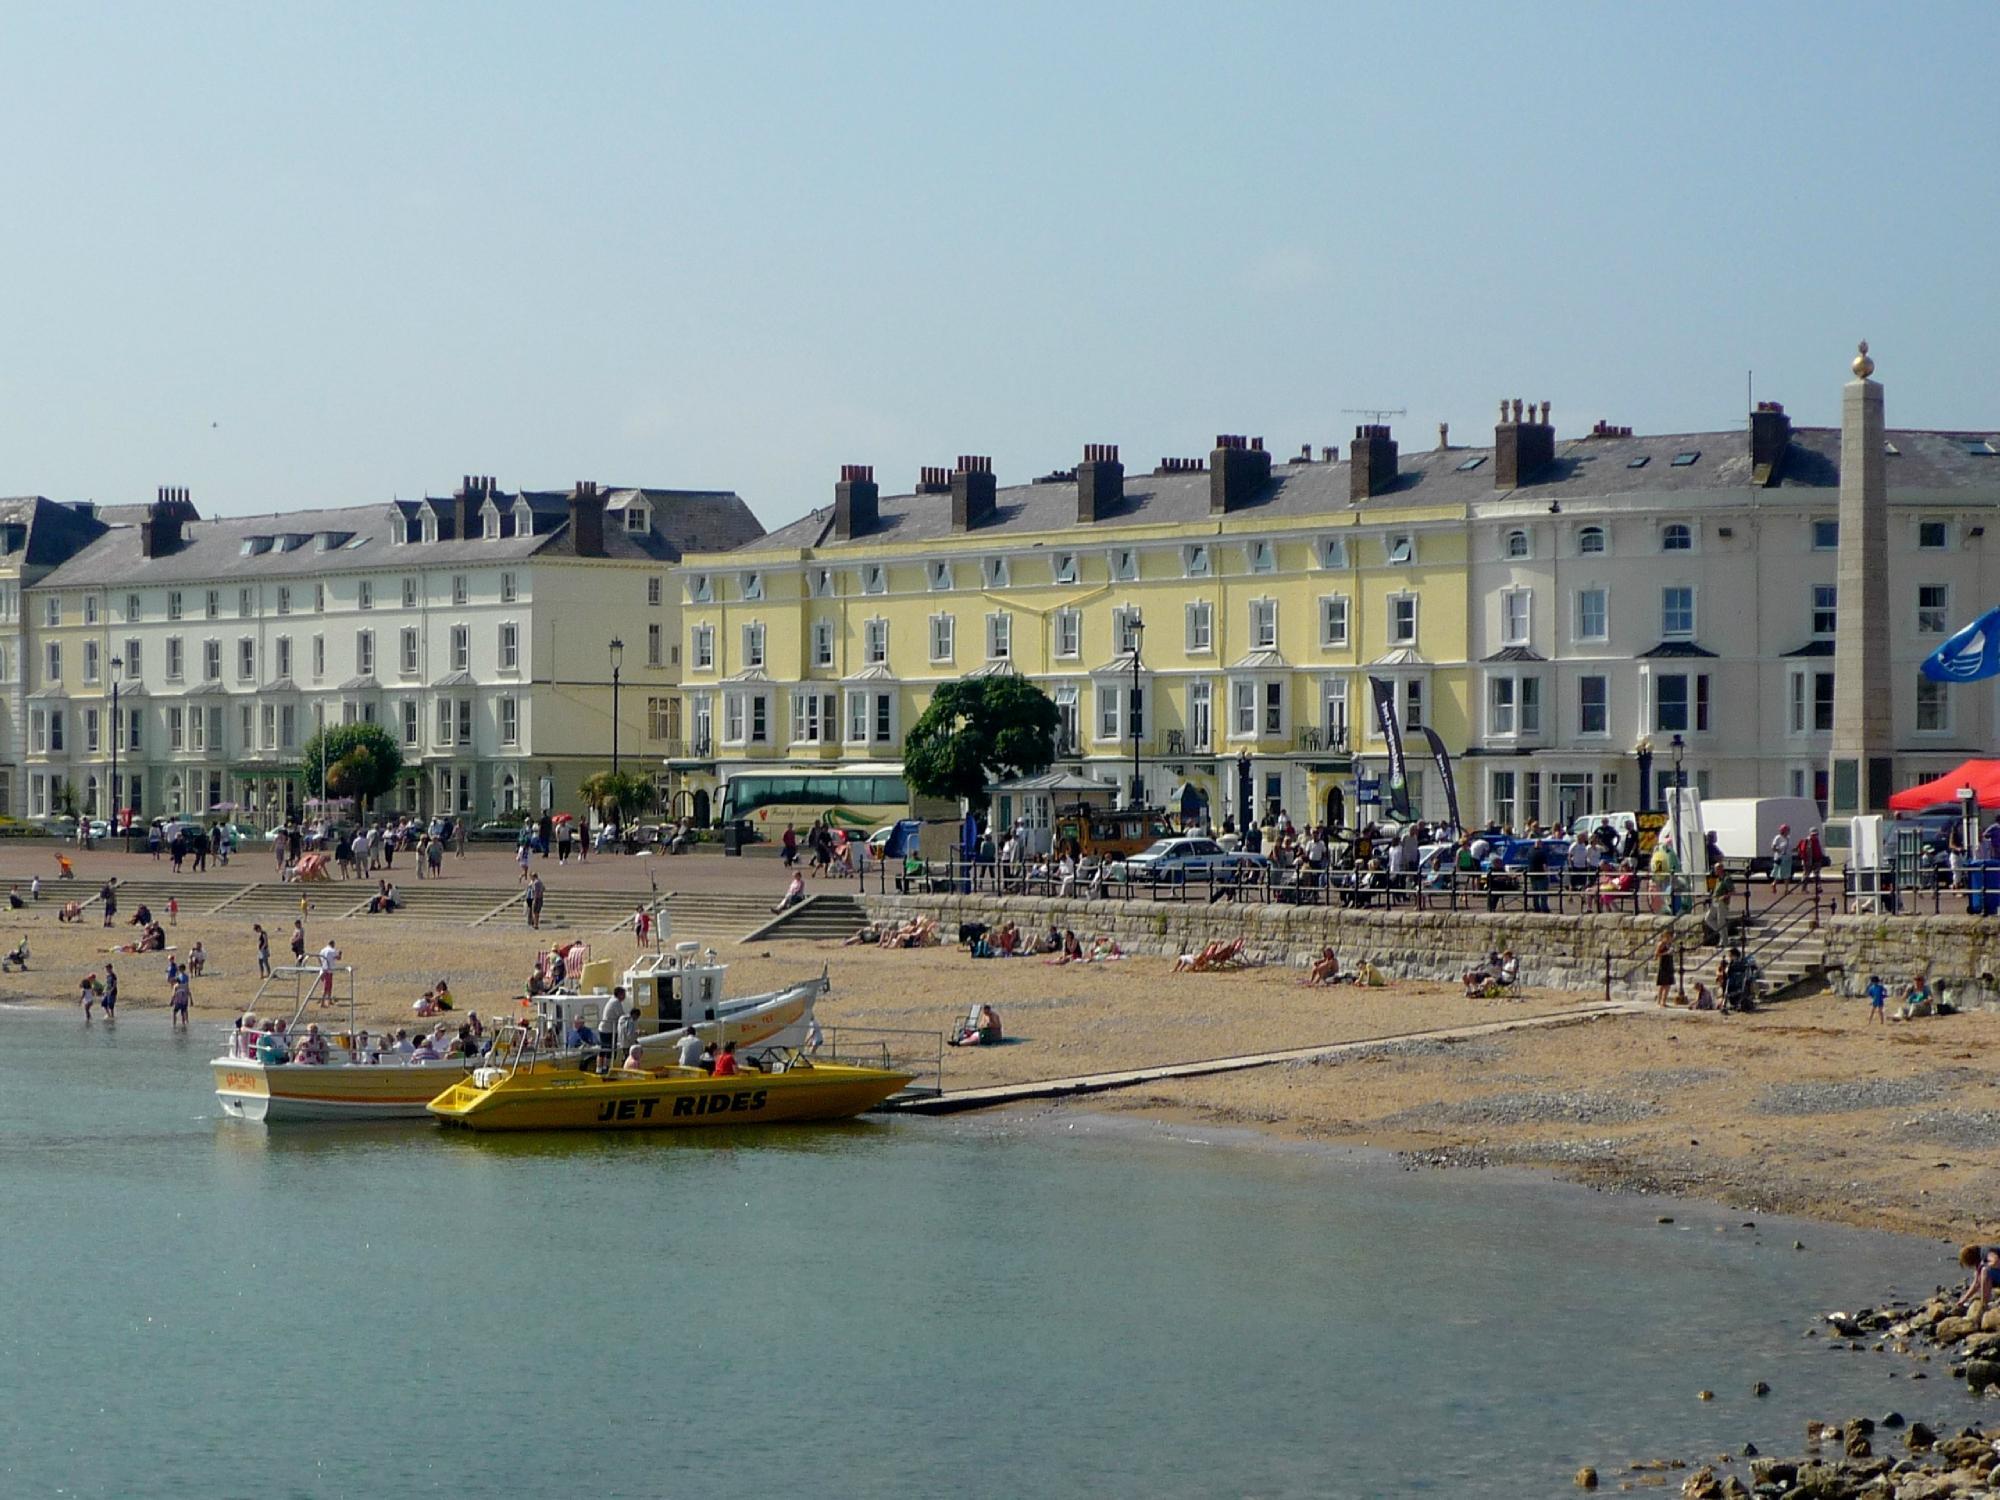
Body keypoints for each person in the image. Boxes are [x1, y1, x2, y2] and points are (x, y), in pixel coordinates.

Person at [1959, 1244, 2000, 1319]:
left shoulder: (1985, 1251)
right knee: (1982, 1272)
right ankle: (1985, 1305)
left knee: (1985, 1271)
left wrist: (1983, 1266)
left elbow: (1996, 1262)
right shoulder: (1981, 1261)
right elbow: (1976, 1283)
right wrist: (1964, 1299)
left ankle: (1984, 1306)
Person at [1654, 934, 1676, 1007]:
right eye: (1669, 937)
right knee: (1665, 985)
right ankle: (1661, 1002)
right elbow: (1656, 955)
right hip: (1663, 965)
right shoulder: (1661, 944)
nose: (1670, 939)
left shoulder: (1669, 944)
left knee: (1665, 984)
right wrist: (1666, 953)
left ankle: (1661, 1001)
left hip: (1669, 964)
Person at [1771, 824, 1795, 890]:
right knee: (1779, 873)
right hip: (1780, 858)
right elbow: (1773, 847)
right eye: (1787, 830)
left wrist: (1796, 849)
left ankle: (1786, 889)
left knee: (1787, 874)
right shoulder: (1778, 838)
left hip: (1788, 857)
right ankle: (1774, 883)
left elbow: (1790, 848)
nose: (1788, 831)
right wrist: (1779, 851)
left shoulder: (1788, 838)